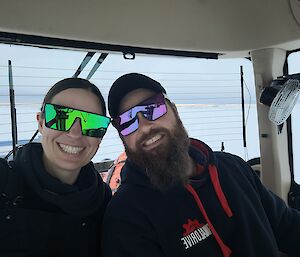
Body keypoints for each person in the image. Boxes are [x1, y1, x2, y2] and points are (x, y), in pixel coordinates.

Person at [101, 73, 300, 257]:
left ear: (174, 109)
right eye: (127, 121)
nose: (144, 126)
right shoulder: (126, 215)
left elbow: (287, 226)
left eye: (152, 108)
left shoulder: (232, 167)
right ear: (122, 136)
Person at [0, 78, 112, 257]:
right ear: (40, 123)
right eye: (61, 116)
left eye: (92, 123)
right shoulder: (5, 183)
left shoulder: (104, 201)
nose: (75, 133)